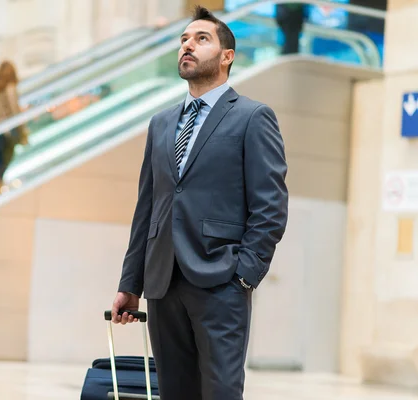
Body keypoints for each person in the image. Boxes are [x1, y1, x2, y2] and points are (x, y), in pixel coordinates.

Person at [111, 6, 288, 400]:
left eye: (201, 38)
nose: (188, 45)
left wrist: (243, 275)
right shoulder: (161, 123)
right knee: (175, 392)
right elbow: (147, 208)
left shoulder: (252, 117)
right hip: (161, 283)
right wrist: (131, 282)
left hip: (220, 281)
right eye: (184, 40)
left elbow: (270, 205)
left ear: (227, 56)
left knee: (221, 391)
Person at [0, 60, 29, 198]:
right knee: (4, 160)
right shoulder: (10, 88)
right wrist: (21, 130)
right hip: (5, 131)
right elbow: (14, 110)